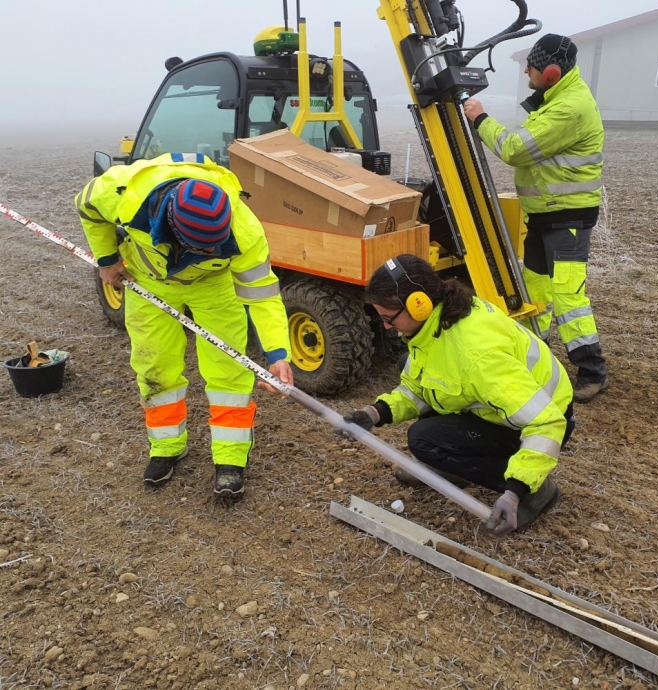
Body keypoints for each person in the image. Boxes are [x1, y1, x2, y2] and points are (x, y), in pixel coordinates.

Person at [75, 152, 292, 498]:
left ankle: (230, 458)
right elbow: (86, 206)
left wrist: (278, 353)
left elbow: (263, 296)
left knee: (229, 369)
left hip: (215, 287)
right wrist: (107, 259)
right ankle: (166, 447)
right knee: (154, 364)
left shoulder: (245, 230)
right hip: (149, 280)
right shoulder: (123, 193)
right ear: (173, 231)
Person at [343, 255, 575, 536]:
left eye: (388, 318)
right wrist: (376, 412)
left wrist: (516, 489)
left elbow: (546, 423)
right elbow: (424, 384)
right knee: (406, 363)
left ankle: (536, 492)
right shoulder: (437, 323)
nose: (388, 327)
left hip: (542, 419)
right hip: (504, 409)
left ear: (419, 305)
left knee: (424, 439)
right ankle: (458, 468)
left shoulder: (477, 357)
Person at [463, 33, 609, 403]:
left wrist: (480, 118)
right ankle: (534, 359)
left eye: (532, 66)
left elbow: (515, 149)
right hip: (545, 216)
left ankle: (592, 372)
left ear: (552, 73)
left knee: (567, 297)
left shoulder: (569, 108)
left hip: (568, 219)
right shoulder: (556, 97)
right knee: (537, 293)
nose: (526, 70)